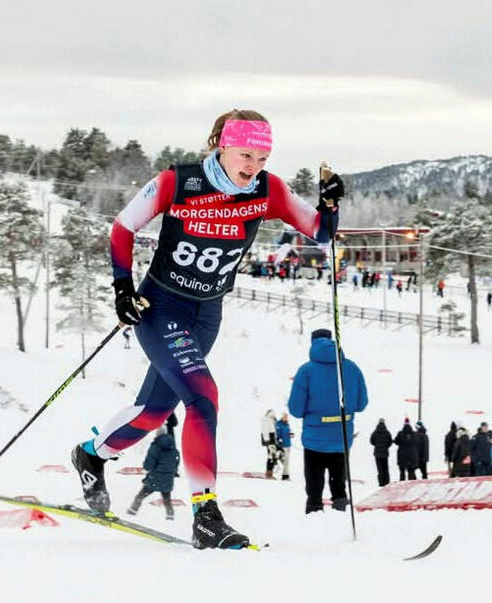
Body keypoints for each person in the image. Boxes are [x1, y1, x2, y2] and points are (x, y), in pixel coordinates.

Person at [70, 109, 338, 549]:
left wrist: (329, 203)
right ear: (220, 144)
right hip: (161, 309)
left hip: (207, 314)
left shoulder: (268, 190)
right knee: (203, 397)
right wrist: (122, 289)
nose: (253, 165)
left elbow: (320, 232)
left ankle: (91, 453)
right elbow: (122, 227)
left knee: (155, 411)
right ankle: (206, 516)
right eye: (245, 153)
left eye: (262, 157)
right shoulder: (180, 182)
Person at [288, 328, 368, 514]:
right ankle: (340, 512)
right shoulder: (351, 368)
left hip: (314, 440)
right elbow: (361, 404)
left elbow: (296, 410)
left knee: (314, 485)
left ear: (312, 343)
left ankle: (314, 512)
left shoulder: (306, 371)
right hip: (341, 438)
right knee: (339, 483)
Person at [127, 428, 180, 518]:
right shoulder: (173, 448)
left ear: (157, 435)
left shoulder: (155, 447)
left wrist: (146, 467)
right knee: (167, 498)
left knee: (141, 495)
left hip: (155, 478)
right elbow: (176, 461)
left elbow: (148, 465)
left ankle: (132, 511)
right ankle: (170, 516)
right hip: (168, 478)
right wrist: (173, 471)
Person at [369, 418, 393, 486]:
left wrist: (377, 445)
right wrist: (386, 446)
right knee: (386, 467)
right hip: (385, 453)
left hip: (377, 453)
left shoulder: (375, 432)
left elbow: (371, 441)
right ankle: (387, 482)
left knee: (379, 468)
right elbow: (390, 442)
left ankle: (381, 482)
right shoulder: (387, 432)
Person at [260, 409, 280, 479]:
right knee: (271, 456)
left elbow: (274, 432)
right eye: (273, 415)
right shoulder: (267, 421)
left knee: (271, 456)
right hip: (270, 441)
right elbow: (265, 431)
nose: (274, 416)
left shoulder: (271, 421)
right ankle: (269, 473)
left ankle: (269, 472)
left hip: (272, 440)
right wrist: (267, 440)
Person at [275, 413, 293, 481]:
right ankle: (283, 474)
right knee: (284, 460)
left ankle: (285, 475)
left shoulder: (287, 424)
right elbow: (277, 433)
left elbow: (288, 432)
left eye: (286, 417)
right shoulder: (279, 424)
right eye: (284, 417)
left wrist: (291, 434)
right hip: (282, 445)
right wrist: (279, 439)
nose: (286, 418)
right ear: (282, 417)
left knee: (287, 461)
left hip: (288, 444)